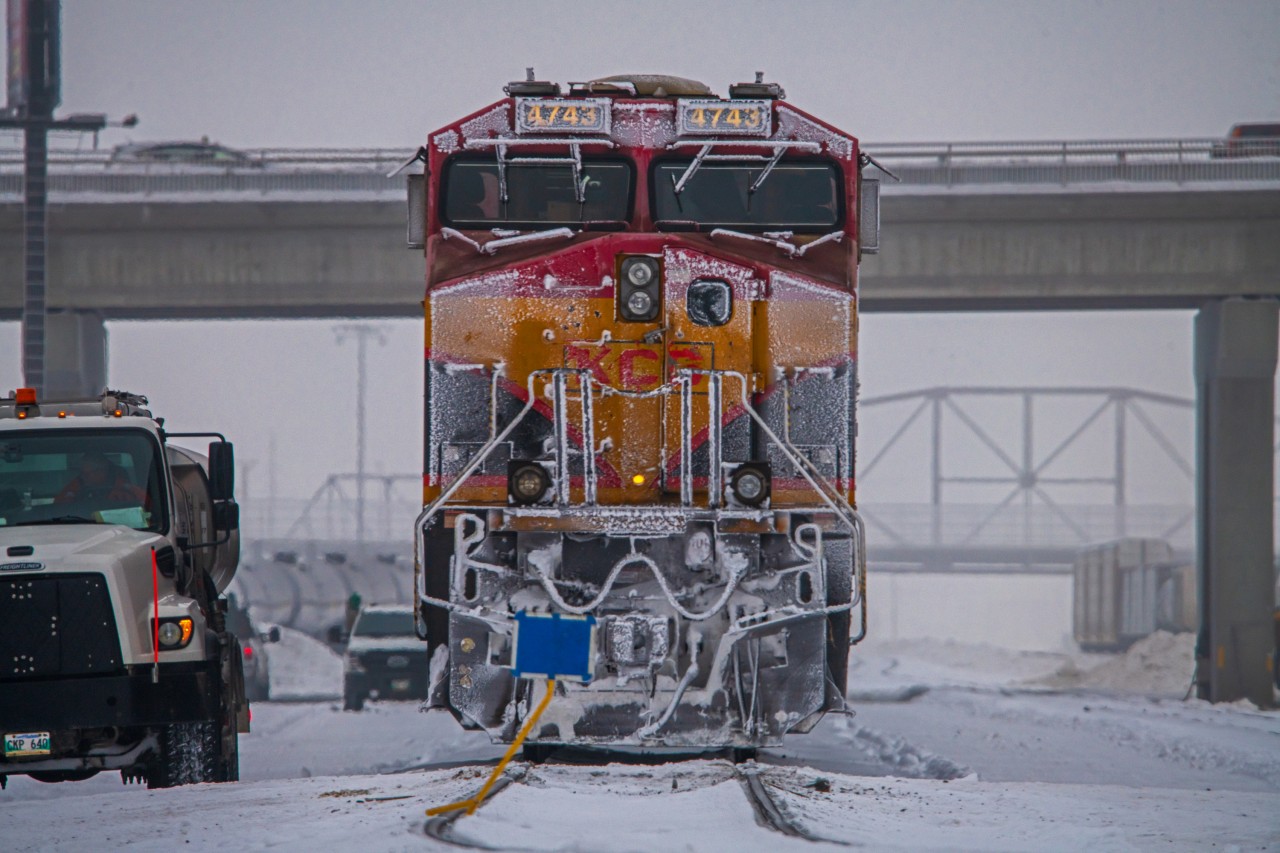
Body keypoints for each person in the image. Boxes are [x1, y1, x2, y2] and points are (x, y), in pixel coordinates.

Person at [54, 452, 147, 506]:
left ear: (102, 471)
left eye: (88, 473)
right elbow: (58, 508)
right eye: (82, 472)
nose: (83, 476)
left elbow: (148, 507)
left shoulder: (128, 490)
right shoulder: (75, 486)